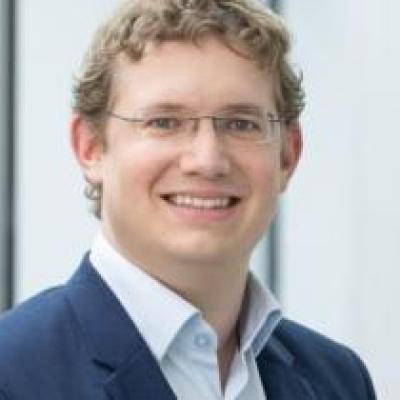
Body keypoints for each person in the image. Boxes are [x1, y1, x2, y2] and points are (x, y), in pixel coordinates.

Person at [0, 0, 376, 399]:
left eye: (240, 124)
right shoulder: (11, 373)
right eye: (164, 122)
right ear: (90, 147)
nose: (207, 161)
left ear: (287, 155)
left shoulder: (338, 380)